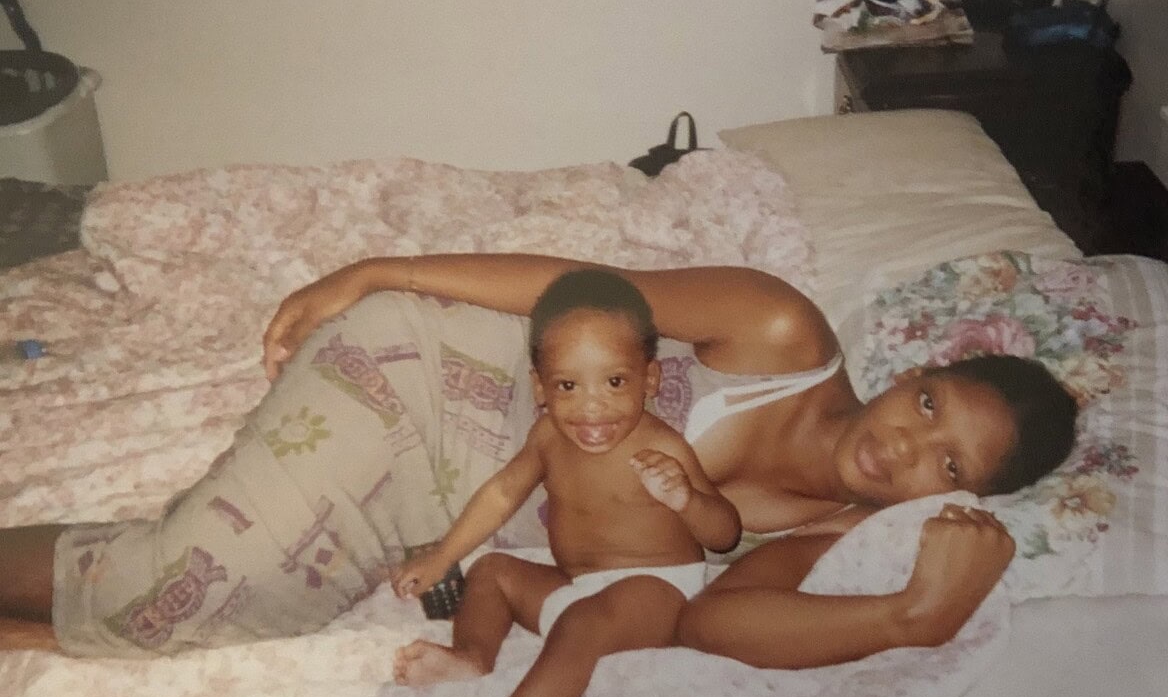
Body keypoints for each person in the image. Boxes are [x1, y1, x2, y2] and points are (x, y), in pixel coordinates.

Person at [0, 253, 1077, 667]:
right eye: (928, 405)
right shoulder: (783, 333)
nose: (905, 445)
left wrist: (911, 617)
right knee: (176, 586)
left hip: (441, 501)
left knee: (244, 612)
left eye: (948, 467)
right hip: (416, 378)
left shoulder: (833, 530)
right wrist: (376, 274)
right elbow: (581, 292)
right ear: (911, 373)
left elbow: (714, 623)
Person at [387, 269, 740, 697]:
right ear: (540, 387)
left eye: (614, 381)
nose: (592, 406)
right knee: (492, 571)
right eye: (568, 385)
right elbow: (503, 492)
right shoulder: (547, 436)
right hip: (574, 591)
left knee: (584, 620)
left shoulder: (663, 447)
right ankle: (472, 657)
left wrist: (685, 500)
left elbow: (725, 535)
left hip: (657, 595)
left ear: (650, 379)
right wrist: (444, 555)